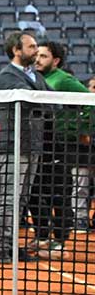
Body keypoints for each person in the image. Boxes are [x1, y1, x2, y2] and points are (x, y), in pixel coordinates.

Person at [0, 31, 48, 263]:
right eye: (31, 47)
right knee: (9, 198)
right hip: (12, 146)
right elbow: (34, 100)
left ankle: (11, 246)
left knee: (21, 199)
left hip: (32, 145)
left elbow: (49, 100)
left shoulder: (35, 75)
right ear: (17, 50)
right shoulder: (6, 77)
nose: (36, 51)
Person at [31, 40, 90, 253]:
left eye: (43, 56)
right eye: (36, 54)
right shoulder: (33, 78)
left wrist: (79, 129)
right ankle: (41, 236)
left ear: (55, 60)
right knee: (35, 193)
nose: (37, 59)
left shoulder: (64, 80)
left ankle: (60, 240)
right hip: (39, 144)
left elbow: (89, 102)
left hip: (61, 146)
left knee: (59, 194)